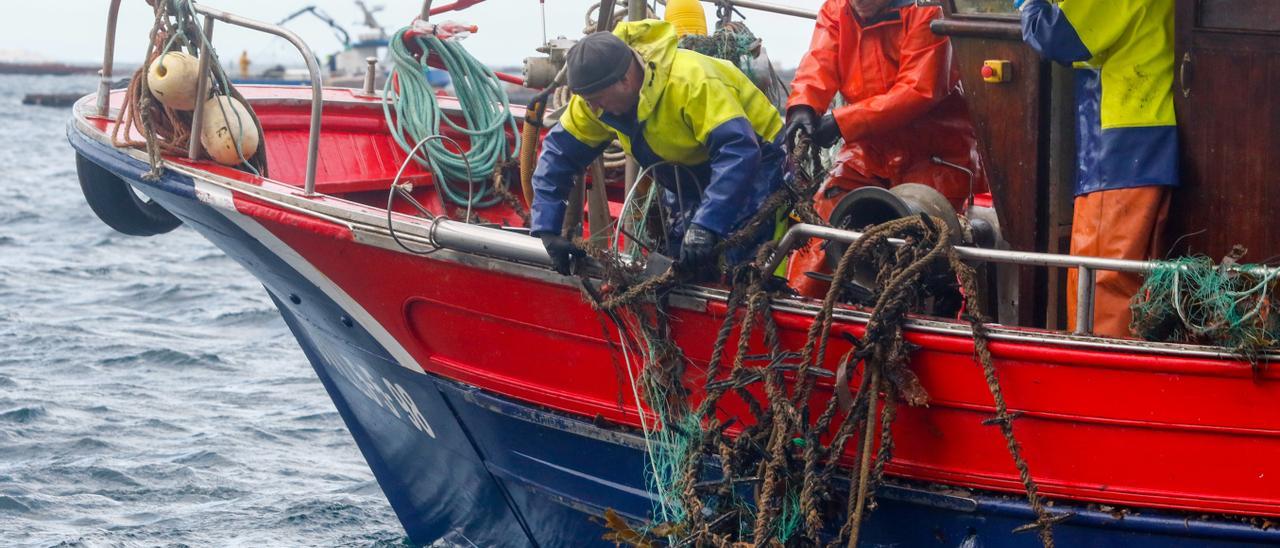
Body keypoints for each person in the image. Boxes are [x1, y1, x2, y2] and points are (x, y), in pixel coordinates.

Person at [530, 20, 785, 279]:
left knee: (739, 258)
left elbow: (738, 151)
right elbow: (558, 155)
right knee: (682, 259)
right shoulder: (594, 98)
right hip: (683, 170)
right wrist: (547, 229)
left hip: (755, 158)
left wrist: (706, 225)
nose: (593, 109)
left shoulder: (689, 82)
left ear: (626, 80)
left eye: (596, 101)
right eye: (588, 102)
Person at [782, 0, 988, 298]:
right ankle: (799, 306)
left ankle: (932, 316)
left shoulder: (928, 9)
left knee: (933, 250)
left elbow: (918, 89)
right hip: (867, 150)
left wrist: (842, 123)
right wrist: (803, 104)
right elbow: (819, 60)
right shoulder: (836, 9)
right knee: (824, 217)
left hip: (937, 155)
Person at [1018, 0, 1177, 337]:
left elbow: (1056, 36)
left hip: (1120, 144)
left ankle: (1097, 380)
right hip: (1147, 135)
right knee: (1134, 286)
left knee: (1101, 288)